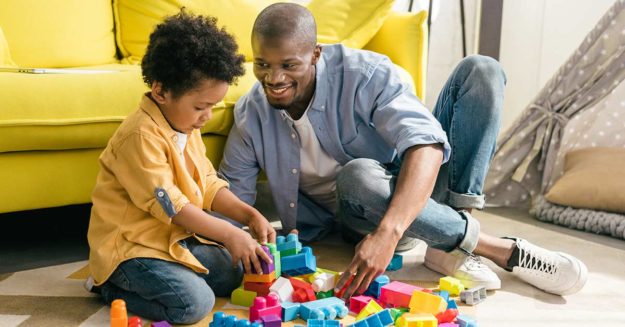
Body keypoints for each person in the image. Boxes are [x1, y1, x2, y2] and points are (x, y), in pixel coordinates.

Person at [219, 2, 587, 299]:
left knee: (482, 70)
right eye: (263, 64)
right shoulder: (252, 114)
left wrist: (389, 234)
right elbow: (231, 198)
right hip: (356, 219)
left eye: (289, 65)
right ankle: (497, 249)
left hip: (402, 206)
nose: (274, 78)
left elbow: (425, 143)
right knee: (359, 177)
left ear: (315, 54)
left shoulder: (364, 74)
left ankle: (450, 243)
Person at [85, 12, 276, 324]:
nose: (208, 116)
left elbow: (209, 184)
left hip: (173, 239)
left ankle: (175, 273)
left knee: (236, 271)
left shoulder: (186, 125)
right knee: (194, 305)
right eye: (201, 107)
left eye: (214, 106)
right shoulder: (139, 136)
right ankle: (107, 285)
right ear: (161, 92)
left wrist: (248, 214)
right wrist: (229, 233)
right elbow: (173, 206)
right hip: (133, 250)